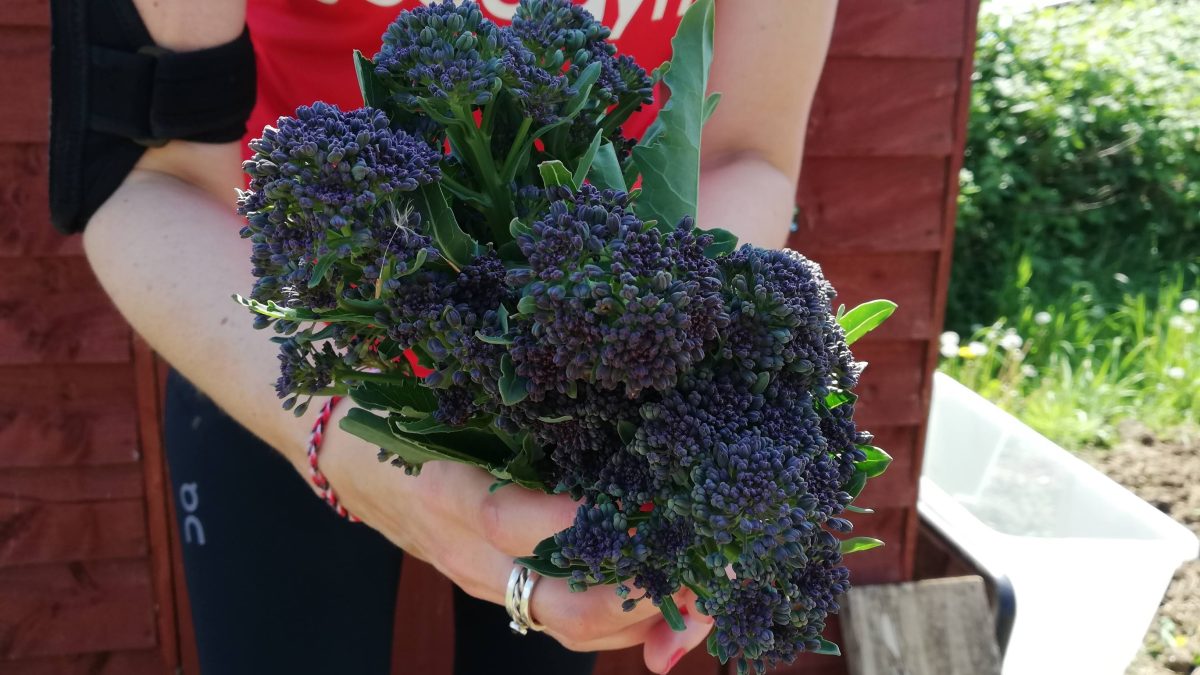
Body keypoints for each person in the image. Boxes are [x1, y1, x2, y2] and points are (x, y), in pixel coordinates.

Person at [61, 0, 837, 673]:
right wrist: (336, 425)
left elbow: (743, 153)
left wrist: (668, 357)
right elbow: (142, 172)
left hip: (571, 397)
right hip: (278, 356)